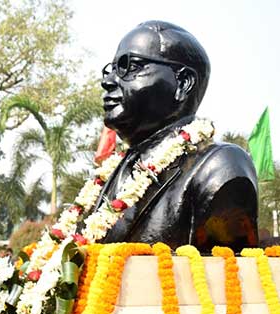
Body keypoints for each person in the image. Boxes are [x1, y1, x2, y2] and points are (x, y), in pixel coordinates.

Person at [95, 20, 258, 252]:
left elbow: (222, 278)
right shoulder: (114, 171)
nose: (108, 81)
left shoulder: (219, 167)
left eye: (129, 66)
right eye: (110, 69)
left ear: (183, 82)